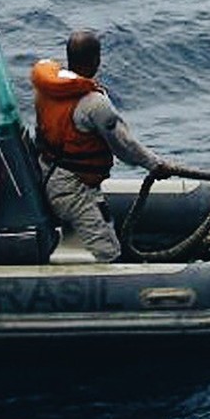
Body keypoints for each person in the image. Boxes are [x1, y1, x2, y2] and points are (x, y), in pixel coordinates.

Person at [32, 29, 181, 262]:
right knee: (109, 252)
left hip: (48, 174)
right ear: (96, 60)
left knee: (105, 223)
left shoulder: (46, 91)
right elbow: (124, 146)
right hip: (72, 190)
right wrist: (155, 165)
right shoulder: (94, 104)